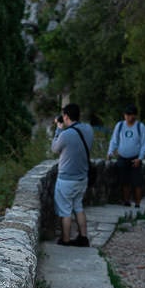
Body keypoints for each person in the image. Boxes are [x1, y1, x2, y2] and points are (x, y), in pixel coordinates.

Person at [51, 103, 94, 246]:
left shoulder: (65, 135)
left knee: (65, 211)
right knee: (78, 207)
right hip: (82, 177)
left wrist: (58, 129)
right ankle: (83, 237)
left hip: (66, 180)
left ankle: (66, 239)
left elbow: (54, 149)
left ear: (66, 116)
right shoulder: (88, 129)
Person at [107, 104, 145, 207]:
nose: (129, 117)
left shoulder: (140, 127)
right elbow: (114, 140)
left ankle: (138, 203)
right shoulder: (120, 125)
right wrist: (110, 152)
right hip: (122, 157)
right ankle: (126, 201)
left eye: (131, 115)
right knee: (124, 181)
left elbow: (144, 144)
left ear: (135, 116)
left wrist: (140, 158)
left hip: (135, 158)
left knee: (137, 182)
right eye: (127, 114)